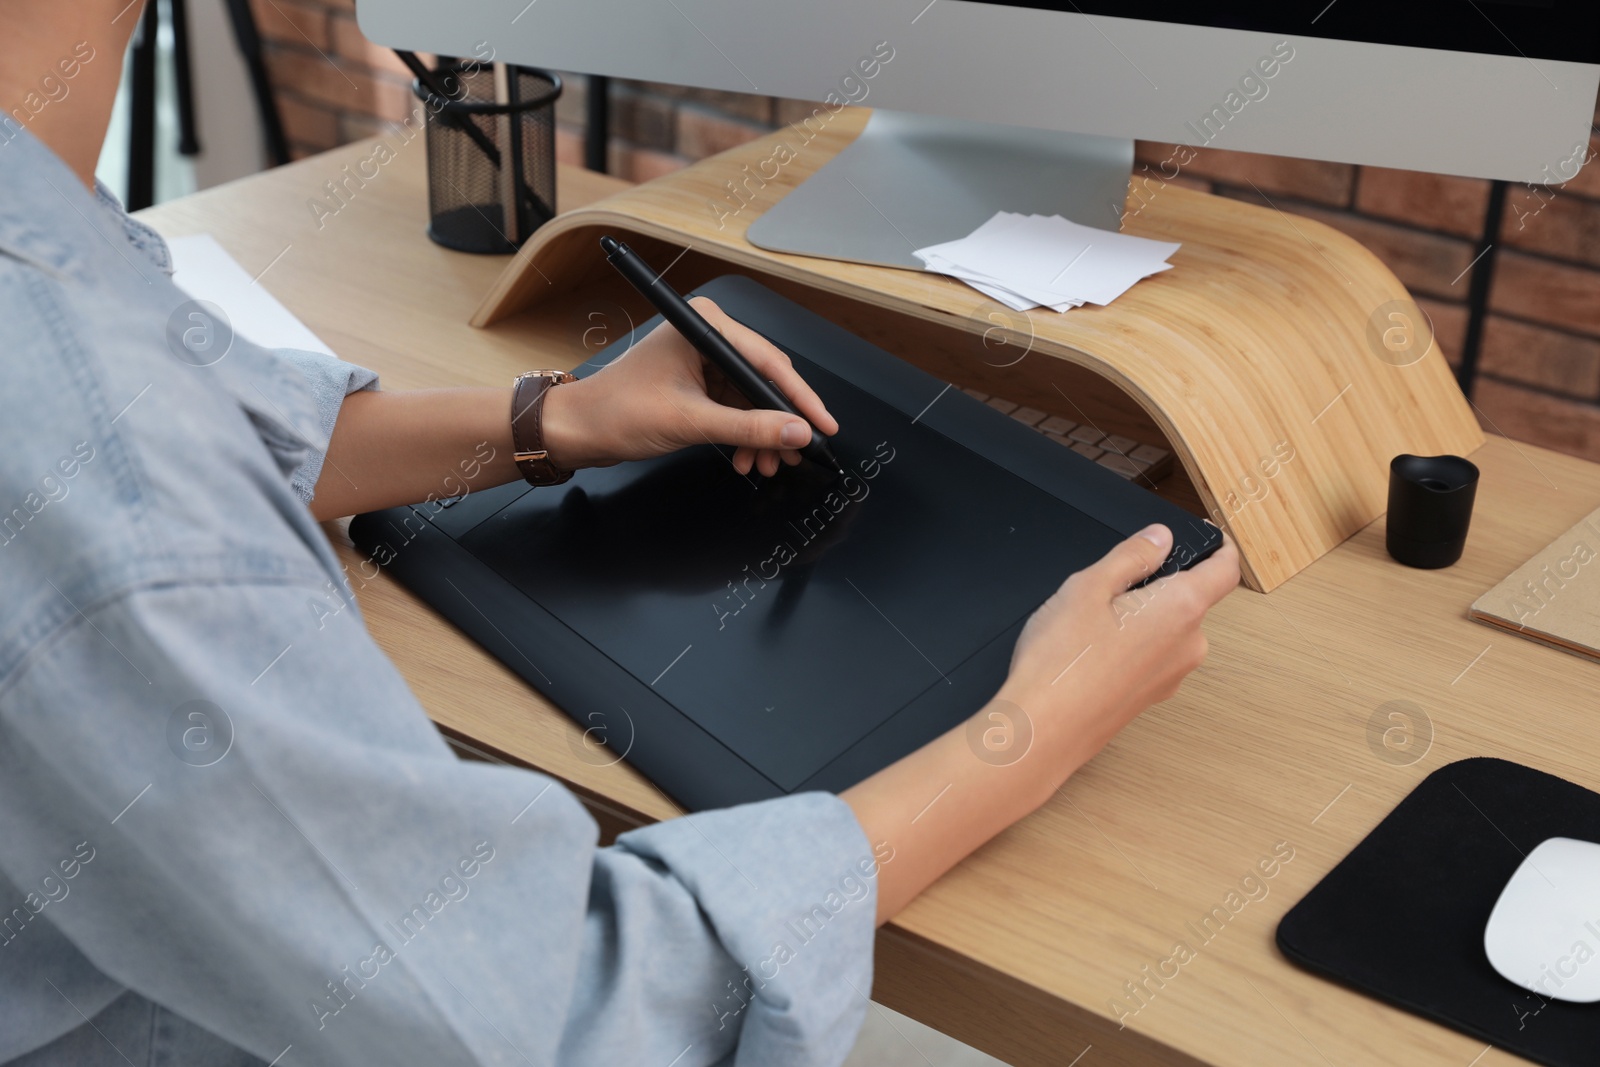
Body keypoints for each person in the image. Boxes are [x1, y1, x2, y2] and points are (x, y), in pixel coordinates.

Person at [0, 4, 1240, 1065]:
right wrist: (1026, 736)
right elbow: (565, 1012)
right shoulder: (92, 434)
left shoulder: (46, 223)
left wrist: (551, 417)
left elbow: (214, 402)